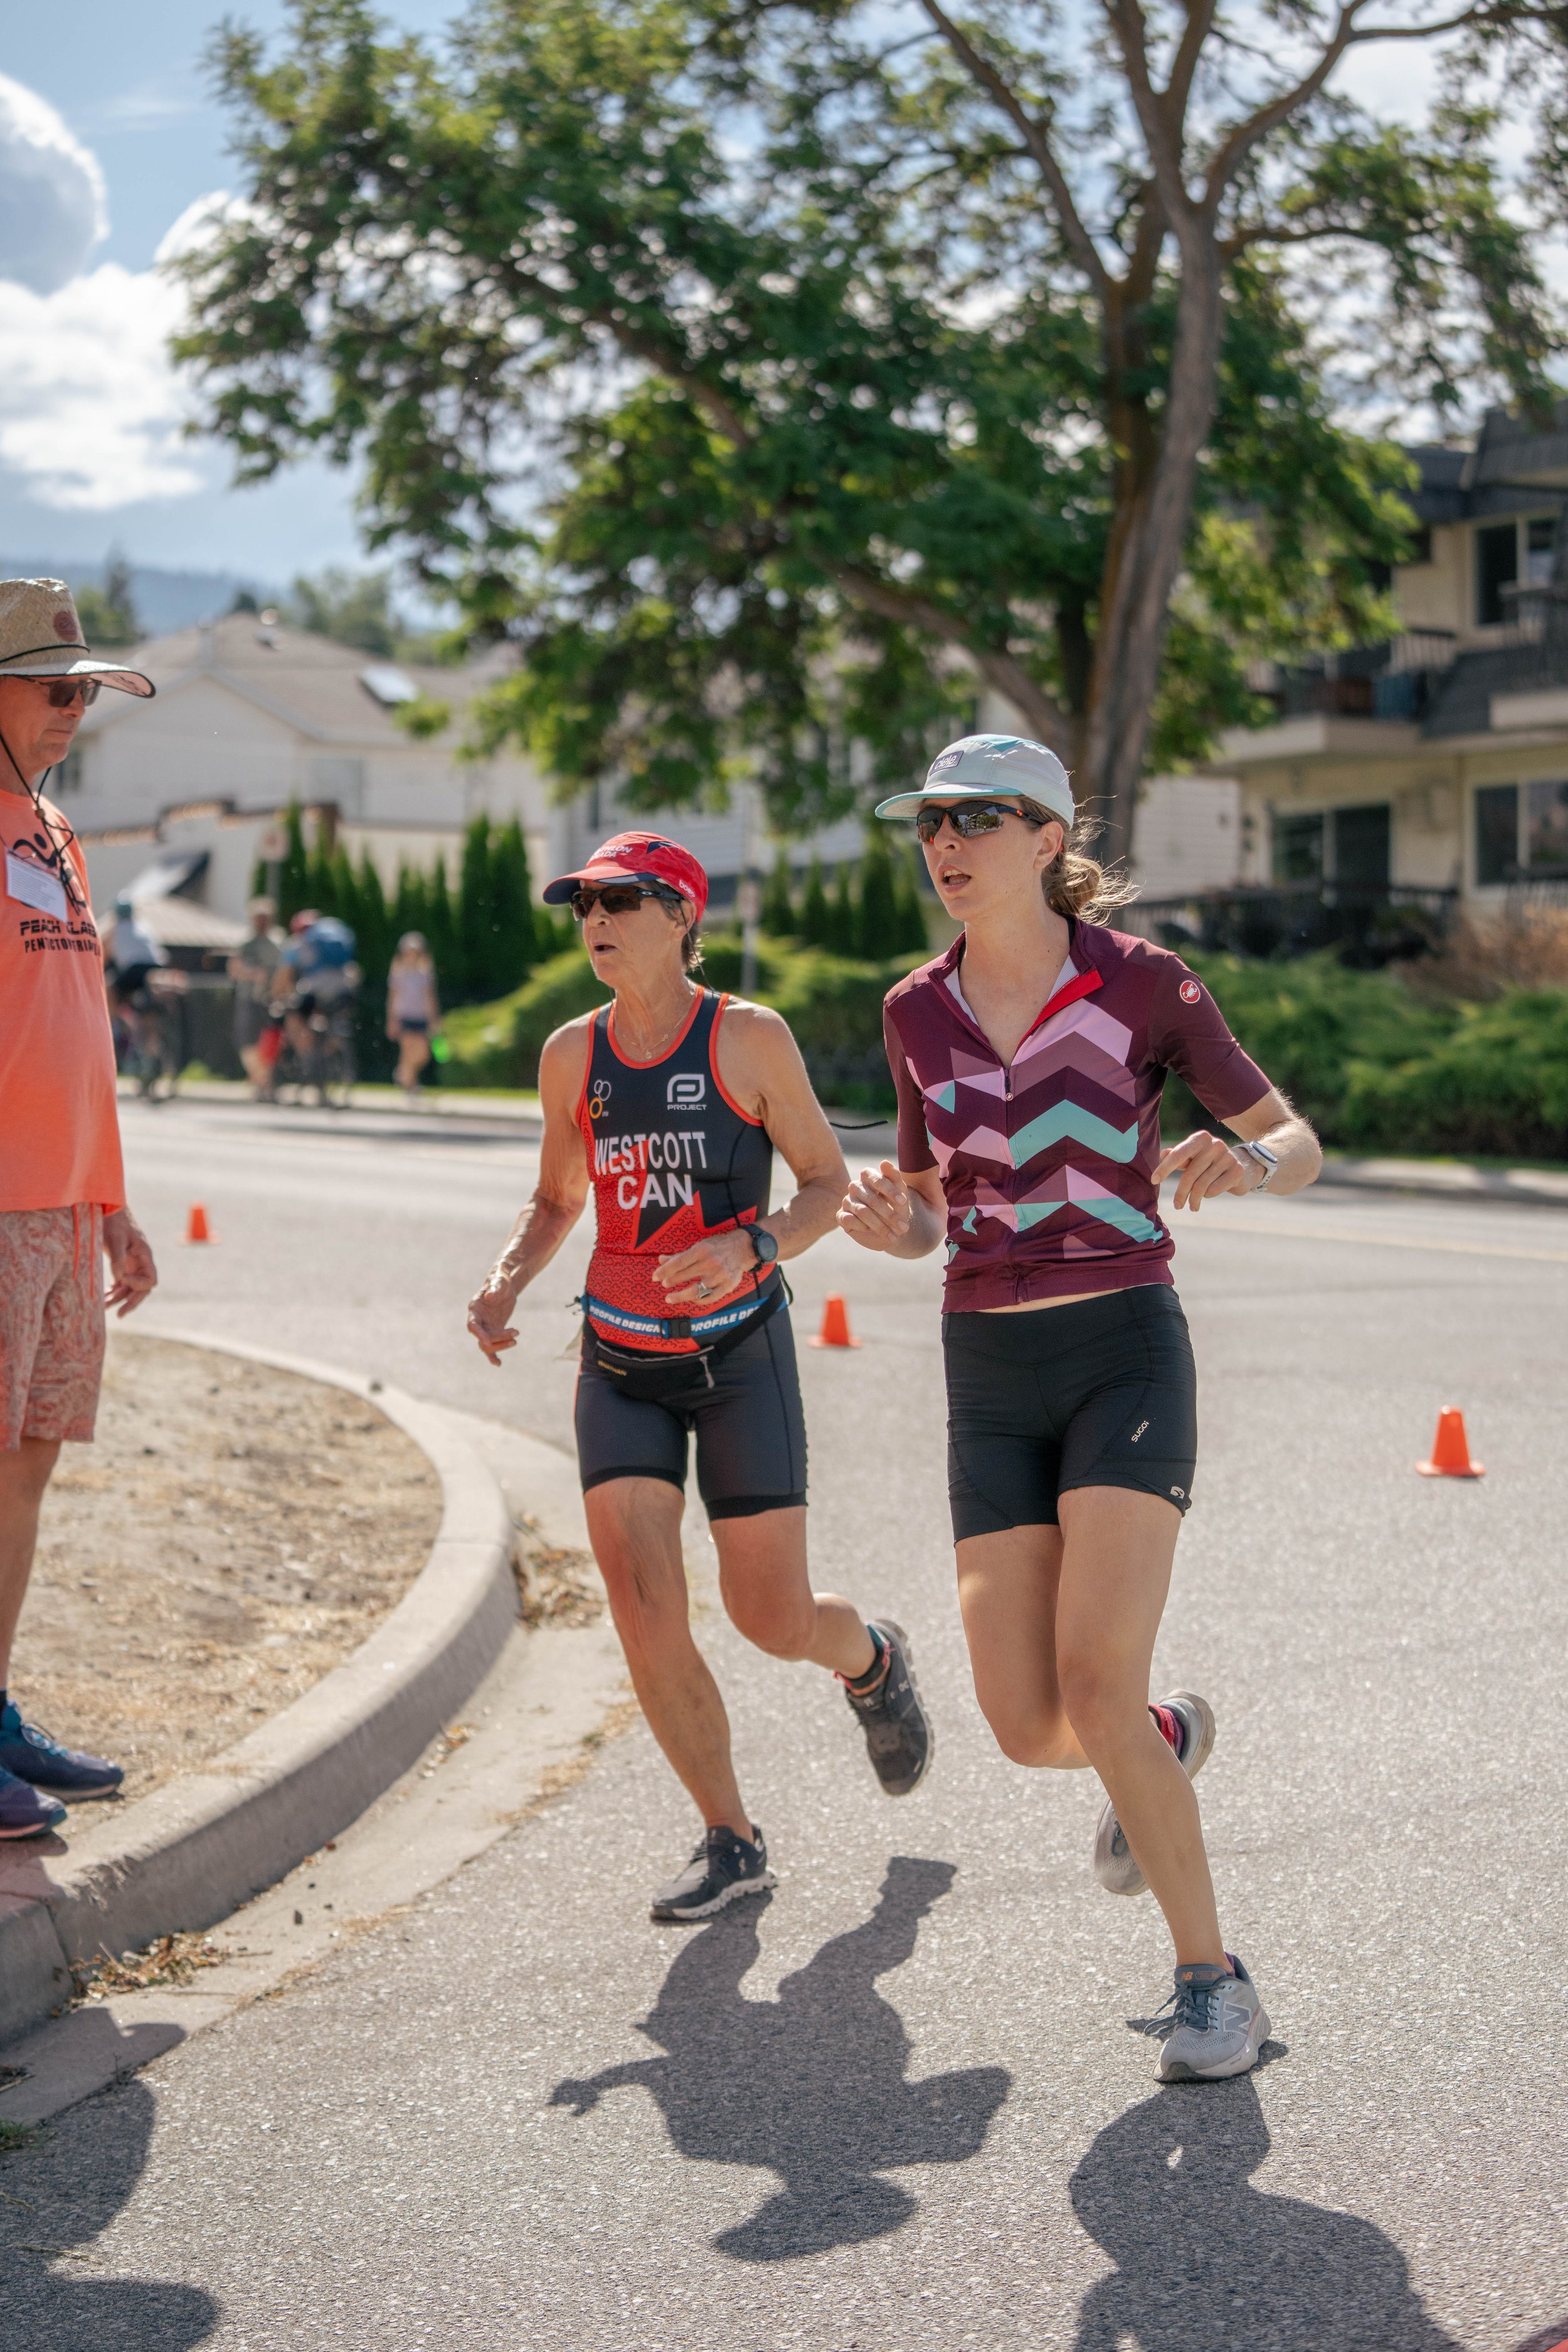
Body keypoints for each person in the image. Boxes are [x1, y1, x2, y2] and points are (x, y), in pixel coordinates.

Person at [838, 734, 1322, 2083]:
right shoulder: (911, 1010)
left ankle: (1210, 1983)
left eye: (975, 820)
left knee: (1095, 1680)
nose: (944, 846)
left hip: (1120, 1351)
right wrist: (891, 1228)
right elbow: (930, 1203)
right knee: (1021, 1722)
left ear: (1047, 839)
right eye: (928, 823)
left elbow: (1296, 1138)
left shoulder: (1139, 985)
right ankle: (1159, 1748)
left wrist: (1243, 1159)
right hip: (984, 1374)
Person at [466, 830, 933, 1921]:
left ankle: (869, 1658)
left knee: (770, 1617)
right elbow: (555, 1199)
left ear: (682, 915)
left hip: (737, 1357)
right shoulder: (570, 1054)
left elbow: (822, 1183)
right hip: (621, 1360)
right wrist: (504, 1284)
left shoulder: (748, 1039)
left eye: (621, 899)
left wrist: (758, 1242)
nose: (595, 919)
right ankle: (730, 1837)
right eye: (583, 902)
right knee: (639, 1602)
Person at [0, 578, 160, 1840]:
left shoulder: (56, 833)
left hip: (61, 1206)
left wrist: (112, 1200)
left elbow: (79, 1035)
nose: (74, 711)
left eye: (85, 693)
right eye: (56, 690)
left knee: (31, 1460)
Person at [228, 896, 283, 1093]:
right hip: (249, 998)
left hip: (271, 1000)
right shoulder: (246, 943)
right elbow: (234, 969)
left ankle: (264, 1080)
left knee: (270, 1040)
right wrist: (253, 975)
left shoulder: (277, 943)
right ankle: (258, 1077)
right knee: (247, 1041)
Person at [386, 930, 440, 1097]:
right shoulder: (398, 973)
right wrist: (392, 1020)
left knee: (423, 1053)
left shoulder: (425, 973)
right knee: (408, 1050)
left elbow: (431, 997)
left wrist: (434, 1019)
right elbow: (392, 998)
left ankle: (404, 1073)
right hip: (405, 1016)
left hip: (421, 1016)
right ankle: (411, 1085)